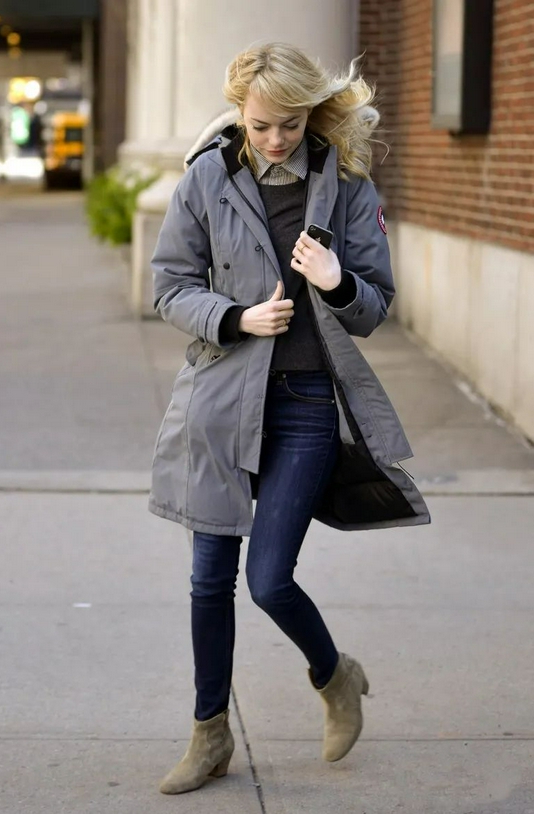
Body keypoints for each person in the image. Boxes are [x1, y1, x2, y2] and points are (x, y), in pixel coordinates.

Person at [150, 42, 430, 795]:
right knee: (210, 579)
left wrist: (337, 283)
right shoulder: (207, 178)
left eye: (292, 124)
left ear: (311, 114)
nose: (276, 139)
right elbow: (170, 285)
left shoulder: (346, 182)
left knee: (270, 579)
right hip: (220, 400)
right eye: (262, 124)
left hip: (305, 405)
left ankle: (335, 677)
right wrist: (235, 317)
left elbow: (374, 305)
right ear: (240, 112)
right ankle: (210, 735)